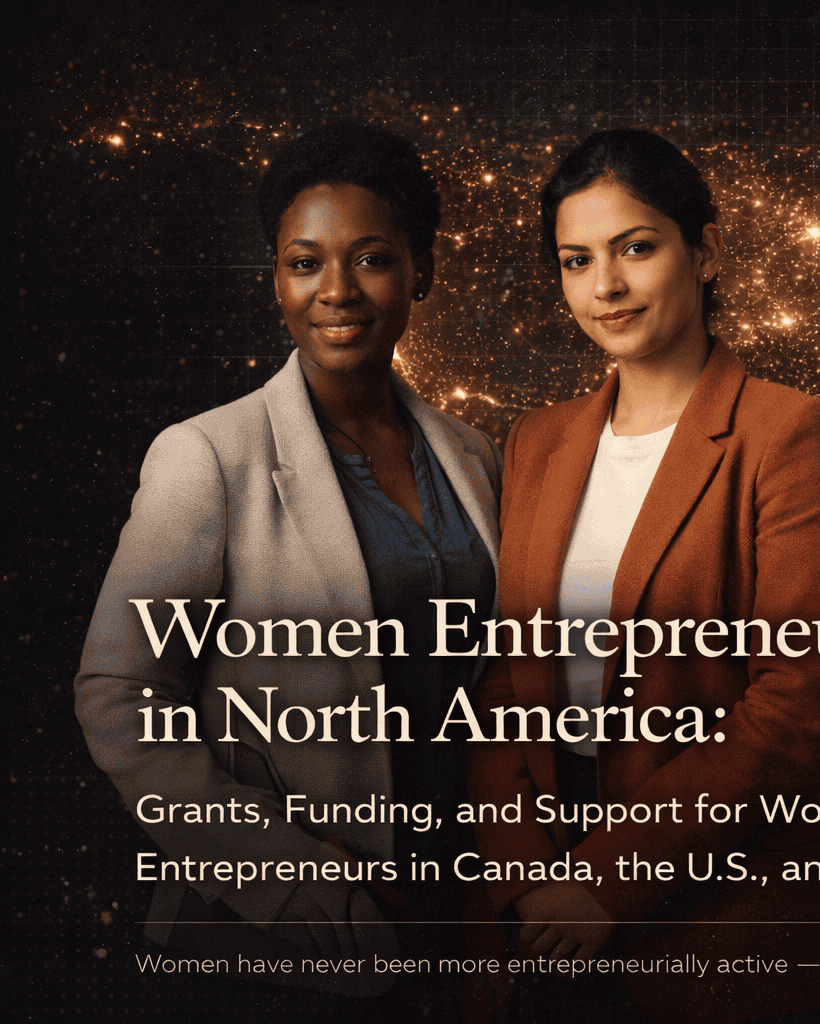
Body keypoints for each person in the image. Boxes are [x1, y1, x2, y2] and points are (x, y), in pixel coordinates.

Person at [74, 121, 501, 1004]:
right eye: (304, 262)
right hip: (270, 932)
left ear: (421, 270)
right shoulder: (207, 455)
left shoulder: (476, 456)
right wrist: (284, 868)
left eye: (372, 258)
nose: (336, 290)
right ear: (276, 279)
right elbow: (117, 695)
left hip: (446, 909)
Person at [465, 129, 820, 1022]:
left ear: (707, 250)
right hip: (538, 902)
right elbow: (497, 681)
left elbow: (797, 703)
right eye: (576, 260)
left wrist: (610, 882)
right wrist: (528, 876)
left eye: (635, 248)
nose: (605, 286)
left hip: (711, 912)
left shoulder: (789, 432)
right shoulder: (536, 440)